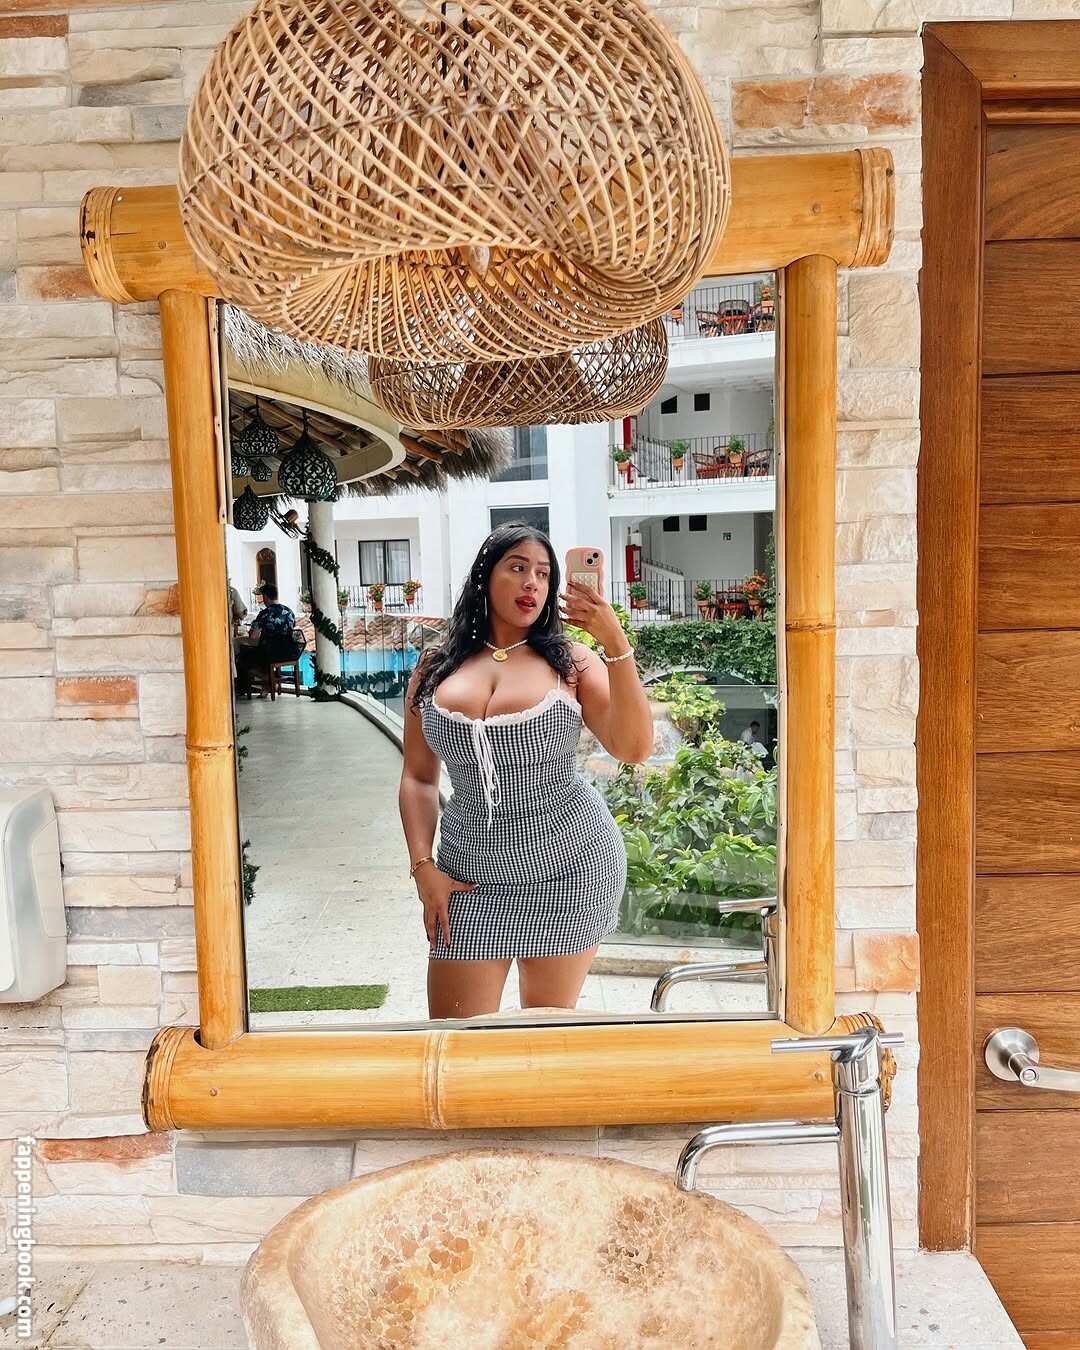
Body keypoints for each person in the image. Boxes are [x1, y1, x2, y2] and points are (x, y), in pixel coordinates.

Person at [399, 523, 654, 1019]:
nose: (531, 583)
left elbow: (634, 747)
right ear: (484, 576)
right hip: (467, 876)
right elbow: (418, 778)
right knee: (457, 1035)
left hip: (570, 869)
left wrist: (613, 640)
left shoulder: (572, 663)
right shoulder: (434, 666)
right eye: (517, 568)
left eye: (543, 573)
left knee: (544, 1033)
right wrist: (422, 867)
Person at [236, 582, 296, 697]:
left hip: (269, 652)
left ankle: (271, 681)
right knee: (263, 658)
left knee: (243, 660)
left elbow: (253, 636)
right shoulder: (289, 612)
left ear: (266, 597)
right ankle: (265, 689)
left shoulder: (265, 613)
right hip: (289, 651)